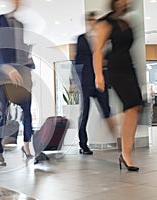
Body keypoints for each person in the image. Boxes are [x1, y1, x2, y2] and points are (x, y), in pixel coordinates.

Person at [93, 0, 142, 171]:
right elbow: (98, 50)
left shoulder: (126, 22)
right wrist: (98, 75)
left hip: (129, 67)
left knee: (135, 108)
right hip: (116, 69)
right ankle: (126, 154)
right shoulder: (105, 23)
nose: (124, 2)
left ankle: (125, 152)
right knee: (131, 106)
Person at [0, 0, 34, 165]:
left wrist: (27, 60)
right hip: (4, 77)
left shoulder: (21, 25)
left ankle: (27, 147)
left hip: (21, 75)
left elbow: (20, 51)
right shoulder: (2, 20)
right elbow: (2, 50)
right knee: (1, 114)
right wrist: (8, 68)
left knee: (27, 112)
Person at [75, 11, 115, 155]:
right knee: (84, 114)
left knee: (106, 110)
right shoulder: (81, 39)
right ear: (87, 22)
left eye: (94, 20)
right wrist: (76, 82)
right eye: (90, 20)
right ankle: (83, 145)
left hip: (100, 81)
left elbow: (109, 57)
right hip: (86, 82)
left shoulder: (102, 39)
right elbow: (77, 62)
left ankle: (118, 139)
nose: (92, 22)